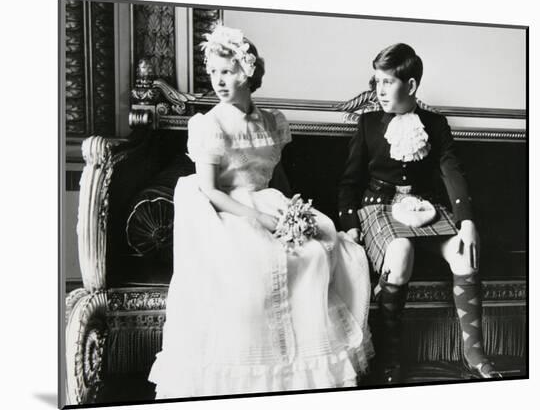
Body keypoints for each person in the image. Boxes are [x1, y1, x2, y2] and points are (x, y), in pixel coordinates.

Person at [148, 25, 374, 399]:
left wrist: (291, 214)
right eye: (215, 72)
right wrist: (261, 220)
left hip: (269, 200)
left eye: (228, 71)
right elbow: (210, 190)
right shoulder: (211, 124)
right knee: (255, 267)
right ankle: (252, 379)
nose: (219, 80)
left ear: (248, 72)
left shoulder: (272, 121)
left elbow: (276, 177)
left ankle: (301, 375)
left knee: (321, 250)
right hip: (225, 209)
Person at [338, 43, 502, 384]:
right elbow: (349, 183)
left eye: (387, 82)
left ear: (410, 86)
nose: (379, 90)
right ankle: (389, 356)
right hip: (379, 207)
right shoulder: (368, 124)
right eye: (377, 81)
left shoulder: (436, 124)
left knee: (464, 254)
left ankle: (474, 353)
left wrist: (467, 223)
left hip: (426, 207)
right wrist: (351, 226)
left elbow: (452, 173)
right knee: (400, 251)